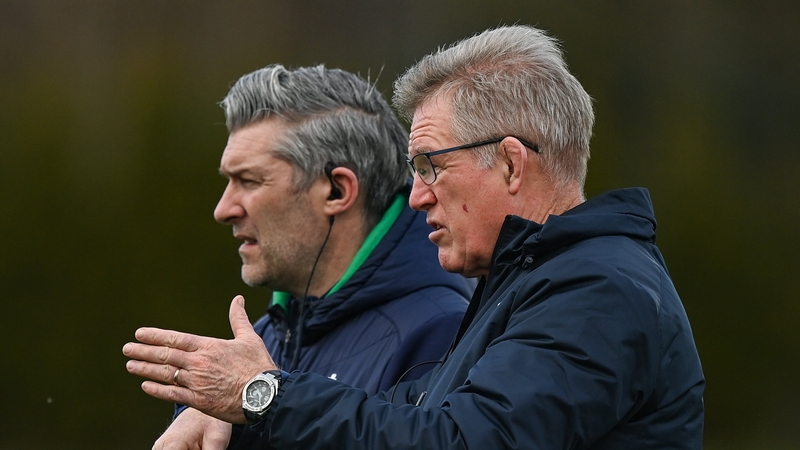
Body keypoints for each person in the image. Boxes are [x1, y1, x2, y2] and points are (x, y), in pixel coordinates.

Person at [124, 25, 706, 449]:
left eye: (431, 166)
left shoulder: (597, 288)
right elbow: (402, 412)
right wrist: (239, 417)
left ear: (509, 164)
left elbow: (458, 441)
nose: (417, 193)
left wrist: (263, 396)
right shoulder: (531, 281)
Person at [144, 64, 472, 449]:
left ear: (336, 191)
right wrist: (206, 409)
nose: (223, 209)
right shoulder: (267, 335)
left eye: (249, 181)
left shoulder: (438, 332)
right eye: (227, 182)